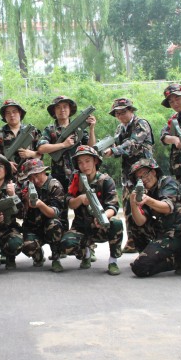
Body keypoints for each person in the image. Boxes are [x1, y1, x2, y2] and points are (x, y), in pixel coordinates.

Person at [58, 146, 124, 274]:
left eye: (87, 161)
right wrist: (81, 199)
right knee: (66, 244)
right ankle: (86, 253)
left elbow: (113, 206)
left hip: (100, 226)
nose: (84, 165)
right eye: (80, 162)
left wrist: (102, 217)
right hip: (81, 226)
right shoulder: (76, 180)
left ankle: (113, 261)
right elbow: (69, 202)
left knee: (116, 222)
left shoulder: (106, 180)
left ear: (95, 161)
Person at [102, 98, 154, 254]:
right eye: (117, 113)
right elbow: (116, 145)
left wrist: (114, 150)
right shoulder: (120, 128)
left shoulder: (141, 124)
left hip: (144, 174)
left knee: (144, 206)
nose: (120, 115)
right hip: (128, 174)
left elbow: (131, 143)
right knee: (128, 207)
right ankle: (132, 240)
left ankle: (147, 240)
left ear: (131, 110)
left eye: (123, 112)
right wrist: (105, 147)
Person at [128, 158, 181, 278]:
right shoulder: (145, 191)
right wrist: (133, 203)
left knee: (140, 268)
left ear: (154, 172)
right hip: (161, 231)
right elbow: (140, 222)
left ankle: (178, 259)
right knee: (132, 219)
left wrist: (147, 200)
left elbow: (167, 207)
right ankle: (148, 255)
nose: (143, 179)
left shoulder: (168, 182)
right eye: (138, 178)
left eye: (145, 174)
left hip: (177, 233)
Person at [37, 95, 96, 191]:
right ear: (54, 111)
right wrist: (63, 145)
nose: (62, 110)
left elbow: (91, 147)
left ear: (70, 109)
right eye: (58, 107)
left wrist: (92, 129)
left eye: (65, 106)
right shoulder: (50, 130)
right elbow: (41, 148)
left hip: (79, 172)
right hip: (58, 175)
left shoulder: (78, 128)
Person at [18, 158, 65, 268]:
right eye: (30, 177)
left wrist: (40, 205)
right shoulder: (26, 186)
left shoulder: (54, 185)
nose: (34, 180)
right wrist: (26, 202)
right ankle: (38, 256)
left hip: (50, 225)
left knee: (54, 225)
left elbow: (55, 213)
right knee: (23, 245)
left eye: (37, 175)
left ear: (43, 172)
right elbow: (21, 215)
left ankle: (56, 257)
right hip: (33, 227)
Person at [0, 99, 41, 178]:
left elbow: (42, 153)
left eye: (14, 111)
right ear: (4, 116)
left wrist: (32, 153)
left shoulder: (32, 131)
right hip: (6, 178)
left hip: (31, 177)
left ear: (20, 113)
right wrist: (5, 163)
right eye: (8, 113)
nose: (11, 115)